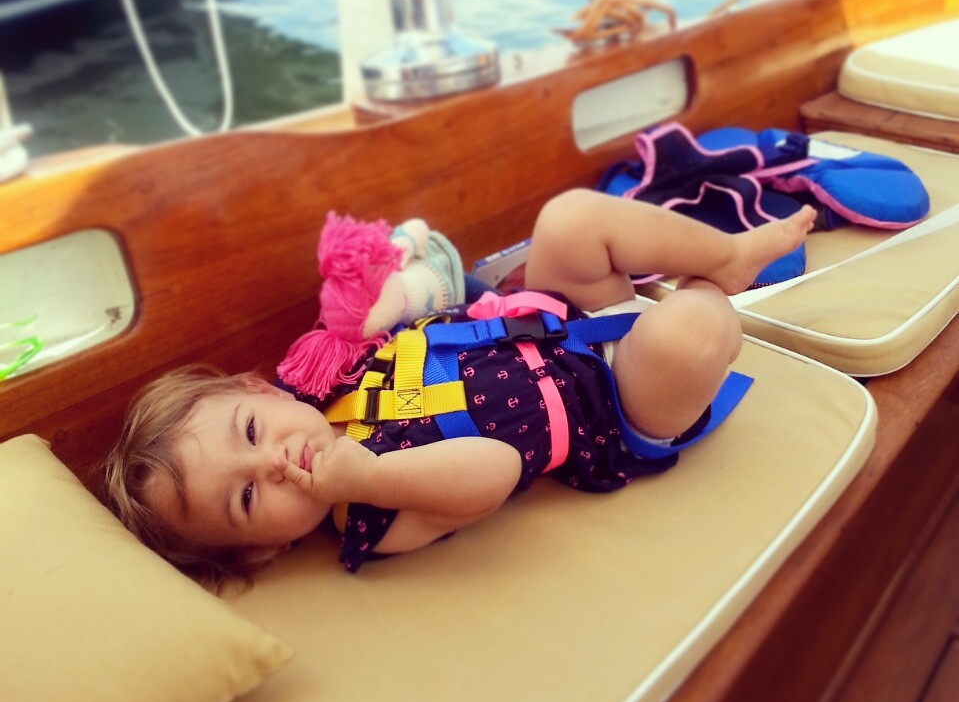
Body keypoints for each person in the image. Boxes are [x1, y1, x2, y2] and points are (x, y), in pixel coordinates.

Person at [102, 190, 816, 586]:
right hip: (612, 406)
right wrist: (371, 476)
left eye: (253, 433)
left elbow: (403, 306)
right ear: (262, 550)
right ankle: (704, 293)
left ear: (262, 391)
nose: (275, 462)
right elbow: (496, 469)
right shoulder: (368, 518)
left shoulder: (326, 373)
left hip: (552, 316)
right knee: (683, 334)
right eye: (247, 497)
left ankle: (728, 256)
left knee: (568, 218)